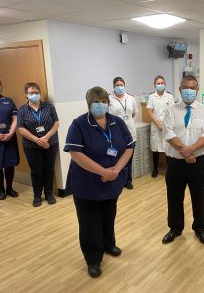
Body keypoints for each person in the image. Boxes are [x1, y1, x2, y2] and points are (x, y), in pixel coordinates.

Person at [64, 86, 134, 278]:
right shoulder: (79, 124)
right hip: (87, 184)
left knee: (108, 216)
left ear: (108, 103)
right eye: (96, 102)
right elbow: (76, 153)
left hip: (112, 181)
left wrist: (116, 170)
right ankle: (93, 259)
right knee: (89, 222)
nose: (100, 105)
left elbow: (129, 147)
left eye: (104, 101)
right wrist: (103, 171)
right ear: (89, 104)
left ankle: (108, 244)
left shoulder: (117, 123)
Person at [162, 75, 204, 245]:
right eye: (186, 87)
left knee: (199, 197)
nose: (189, 91)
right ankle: (175, 228)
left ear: (197, 90)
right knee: (174, 197)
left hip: (198, 163)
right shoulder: (170, 110)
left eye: (192, 88)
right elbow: (168, 133)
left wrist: (190, 151)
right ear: (179, 89)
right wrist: (184, 152)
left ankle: (200, 228)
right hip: (175, 162)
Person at [17, 82, 59, 207]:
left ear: (39, 93)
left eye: (36, 92)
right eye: (31, 93)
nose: (34, 95)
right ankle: (37, 196)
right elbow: (21, 129)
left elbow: (56, 123)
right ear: (26, 94)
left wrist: (45, 138)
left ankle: (49, 194)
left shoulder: (49, 107)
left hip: (50, 143)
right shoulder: (22, 110)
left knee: (49, 169)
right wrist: (38, 140)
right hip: (31, 146)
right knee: (36, 171)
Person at [109, 76, 138, 189]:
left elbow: (134, 113)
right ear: (114, 87)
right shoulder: (109, 99)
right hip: (115, 133)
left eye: (121, 85)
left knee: (128, 159)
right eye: (117, 85)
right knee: (115, 157)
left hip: (130, 132)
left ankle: (128, 180)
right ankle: (116, 179)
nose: (120, 87)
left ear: (124, 86)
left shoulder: (130, 98)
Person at [147, 75, 174, 178]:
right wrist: (157, 123)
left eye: (161, 83)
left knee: (167, 147)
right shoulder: (151, 96)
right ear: (155, 85)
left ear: (165, 84)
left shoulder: (170, 96)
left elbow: (171, 111)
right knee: (155, 148)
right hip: (155, 125)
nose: (160, 85)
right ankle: (155, 169)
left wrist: (164, 124)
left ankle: (169, 169)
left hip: (167, 125)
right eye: (158, 83)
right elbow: (149, 111)